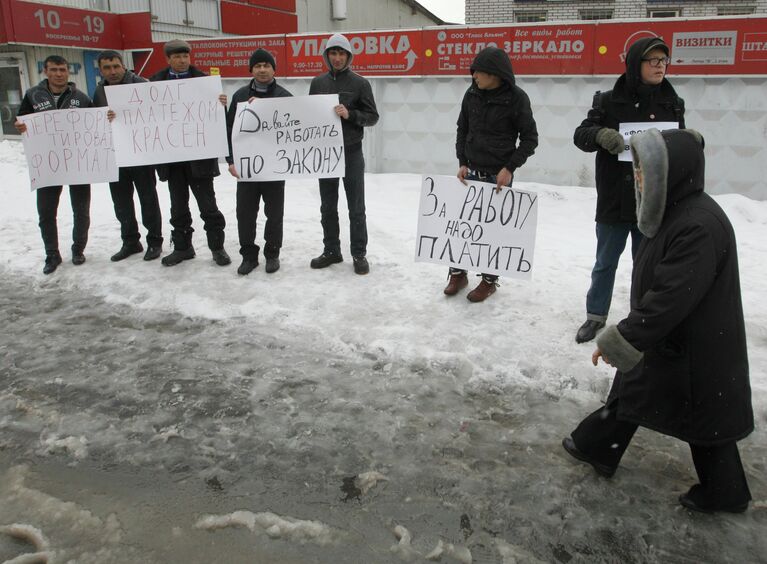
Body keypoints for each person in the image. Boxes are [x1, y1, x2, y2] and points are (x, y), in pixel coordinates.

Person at [562, 128, 753, 514]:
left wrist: (624, 337)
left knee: (702, 417)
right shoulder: (674, 210)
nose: (638, 176)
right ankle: (598, 445)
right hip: (676, 338)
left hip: (693, 344)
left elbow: (670, 297)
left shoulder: (697, 224)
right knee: (640, 389)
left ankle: (725, 493)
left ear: (674, 173)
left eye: (645, 170)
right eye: (636, 168)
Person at [573, 37, 685, 342]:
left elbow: (680, 148)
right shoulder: (607, 101)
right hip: (614, 199)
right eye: (653, 61)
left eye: (664, 60)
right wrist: (600, 135)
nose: (660, 66)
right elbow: (580, 135)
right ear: (637, 65)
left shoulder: (672, 103)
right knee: (605, 262)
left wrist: (690, 141)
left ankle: (643, 318)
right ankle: (595, 316)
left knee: (647, 265)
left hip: (651, 199)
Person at [447, 46, 538, 302]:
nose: (473, 76)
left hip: (498, 178)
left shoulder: (518, 98)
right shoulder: (471, 94)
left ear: (494, 74)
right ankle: (458, 273)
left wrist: (509, 168)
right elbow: (461, 129)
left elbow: (530, 139)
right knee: (462, 228)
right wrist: (462, 161)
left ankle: (489, 280)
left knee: (493, 233)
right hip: (470, 174)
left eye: (478, 71)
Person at [150, 39, 230, 267]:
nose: (182, 60)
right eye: (176, 56)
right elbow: (144, 116)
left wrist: (220, 105)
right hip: (173, 160)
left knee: (208, 206)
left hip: (200, 159)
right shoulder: (155, 83)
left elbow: (216, 121)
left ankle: (217, 248)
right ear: (168, 59)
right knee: (178, 207)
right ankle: (183, 248)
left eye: (185, 56)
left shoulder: (205, 82)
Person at [308, 33, 379, 275]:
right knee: (327, 206)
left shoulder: (360, 84)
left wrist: (351, 114)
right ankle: (331, 250)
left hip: (351, 153)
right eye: (333, 53)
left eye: (341, 54)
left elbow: (373, 117)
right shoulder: (317, 83)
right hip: (325, 154)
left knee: (356, 206)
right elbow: (307, 116)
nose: (337, 58)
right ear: (326, 56)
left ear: (349, 56)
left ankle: (359, 253)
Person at [15, 55, 92, 275]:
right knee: (46, 212)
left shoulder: (81, 97)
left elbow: (94, 124)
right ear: (45, 72)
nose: (59, 74)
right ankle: (52, 253)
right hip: (47, 164)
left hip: (78, 161)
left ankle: (78, 249)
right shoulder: (33, 95)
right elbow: (21, 119)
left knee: (81, 210)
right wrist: (20, 125)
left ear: (68, 72)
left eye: (62, 69)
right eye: (54, 70)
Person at [226, 49, 292, 275]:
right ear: (251, 69)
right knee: (245, 213)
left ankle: (272, 254)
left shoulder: (284, 96)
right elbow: (229, 130)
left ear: (274, 69)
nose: (262, 70)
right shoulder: (239, 96)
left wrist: (265, 107)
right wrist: (231, 160)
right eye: (257, 66)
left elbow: (295, 129)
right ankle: (248, 256)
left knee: (274, 214)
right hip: (247, 169)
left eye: (266, 65)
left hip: (274, 168)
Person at [93, 50, 163, 262]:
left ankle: (154, 241)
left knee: (147, 198)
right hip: (115, 155)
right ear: (101, 70)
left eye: (116, 66)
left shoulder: (141, 84)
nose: (112, 71)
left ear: (123, 66)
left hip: (141, 154)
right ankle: (130, 241)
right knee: (121, 201)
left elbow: (158, 113)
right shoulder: (99, 91)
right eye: (107, 68)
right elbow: (95, 121)